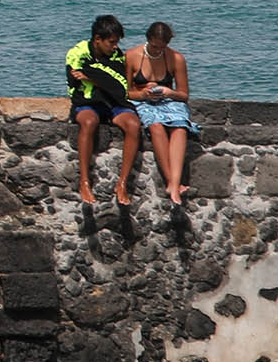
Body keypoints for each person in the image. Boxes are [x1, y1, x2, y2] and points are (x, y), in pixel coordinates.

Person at [68, 13, 142, 228]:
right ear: (97, 39)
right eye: (111, 42)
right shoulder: (78, 52)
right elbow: (75, 76)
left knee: (133, 125)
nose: (115, 47)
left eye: (117, 42)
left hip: (113, 104)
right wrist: (102, 79)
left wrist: (93, 77)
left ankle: (122, 183)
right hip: (87, 101)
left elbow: (121, 86)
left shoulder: (117, 55)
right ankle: (84, 181)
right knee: (89, 122)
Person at [128, 21, 193, 206]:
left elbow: (183, 94)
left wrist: (168, 92)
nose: (158, 50)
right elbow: (125, 91)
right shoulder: (132, 56)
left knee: (179, 127)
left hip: (168, 100)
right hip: (142, 100)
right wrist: (141, 94)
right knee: (156, 126)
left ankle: (174, 183)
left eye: (162, 47)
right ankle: (172, 182)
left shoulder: (176, 58)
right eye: (155, 46)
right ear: (148, 40)